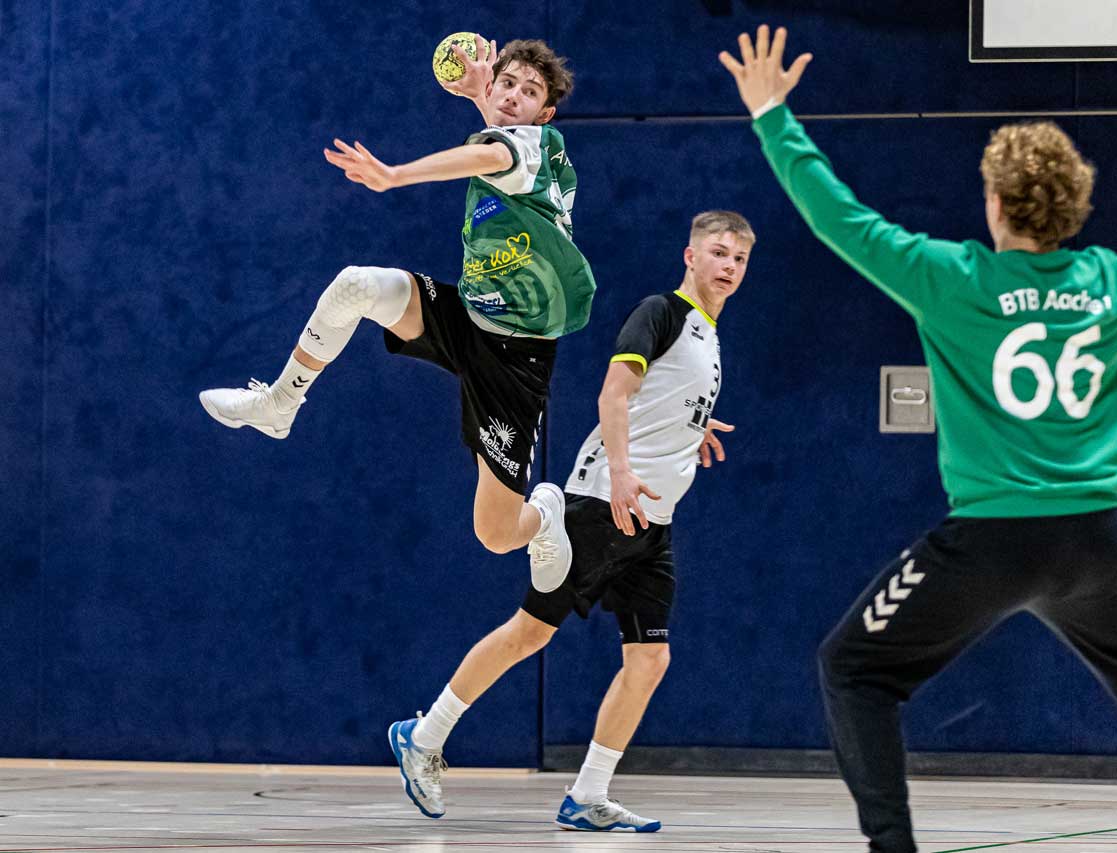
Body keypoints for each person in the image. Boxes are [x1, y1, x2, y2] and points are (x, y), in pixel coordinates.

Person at [720, 24, 1117, 853]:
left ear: (994, 202)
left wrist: (774, 117)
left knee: (854, 669)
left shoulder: (950, 277)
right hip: (1096, 541)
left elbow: (842, 218)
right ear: (1072, 206)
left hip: (991, 539)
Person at [387, 211, 753, 832]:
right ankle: (423, 737)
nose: (729, 266)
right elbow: (613, 394)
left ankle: (587, 796)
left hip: (653, 524)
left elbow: (657, 399)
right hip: (605, 503)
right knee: (528, 633)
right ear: (690, 257)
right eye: (718, 253)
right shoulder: (661, 313)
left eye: (739, 258)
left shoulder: (708, 334)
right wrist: (622, 472)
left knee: (650, 660)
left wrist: (691, 427)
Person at [198, 38, 596, 592]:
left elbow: (490, 155)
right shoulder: (516, 139)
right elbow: (495, 138)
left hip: (517, 354)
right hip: (467, 315)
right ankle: (279, 404)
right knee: (356, 286)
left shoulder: (533, 146)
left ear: (546, 114)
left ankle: (547, 512)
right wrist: (479, 95)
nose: (513, 95)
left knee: (496, 534)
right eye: (506, 82)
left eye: (529, 92)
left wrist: (394, 174)